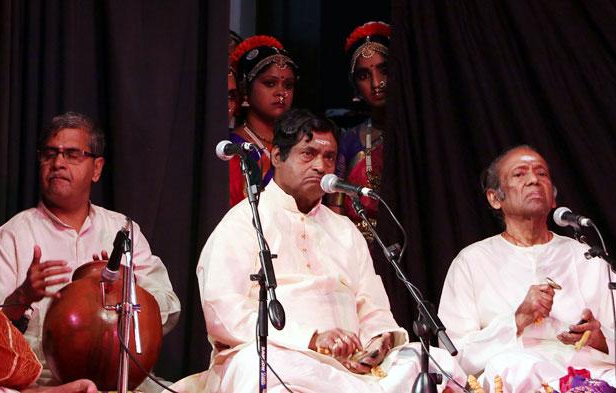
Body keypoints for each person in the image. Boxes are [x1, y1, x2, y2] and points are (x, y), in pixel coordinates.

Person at [179, 109, 464, 392]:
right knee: (257, 367)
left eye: (329, 157)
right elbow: (222, 311)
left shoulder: (345, 230)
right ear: (277, 156)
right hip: (285, 358)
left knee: (431, 362)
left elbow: (371, 304)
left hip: (352, 366)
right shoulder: (243, 222)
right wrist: (311, 339)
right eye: (308, 154)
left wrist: (379, 341)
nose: (321, 166)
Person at [437, 145, 616, 392]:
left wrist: (602, 338)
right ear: (495, 198)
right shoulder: (471, 261)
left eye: (541, 174)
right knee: (513, 366)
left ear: (553, 198)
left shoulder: (587, 256)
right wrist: (517, 320)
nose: (533, 180)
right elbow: (452, 354)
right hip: (524, 376)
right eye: (520, 174)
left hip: (597, 375)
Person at [0, 112, 181, 389]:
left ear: (96, 168)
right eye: (50, 154)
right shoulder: (13, 235)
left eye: (72, 154)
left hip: (123, 379)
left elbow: (169, 305)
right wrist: (21, 297)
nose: (58, 163)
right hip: (46, 383)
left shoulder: (123, 231)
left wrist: (125, 287)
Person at [329, 21, 390, 242]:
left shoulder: (421, 134)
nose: (376, 83)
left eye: (384, 70)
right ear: (354, 85)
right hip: (357, 249)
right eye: (364, 76)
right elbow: (335, 210)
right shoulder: (350, 139)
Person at [228, 35, 298, 206]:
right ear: (245, 89)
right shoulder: (229, 147)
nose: (282, 92)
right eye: (270, 83)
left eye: (288, 85)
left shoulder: (298, 143)